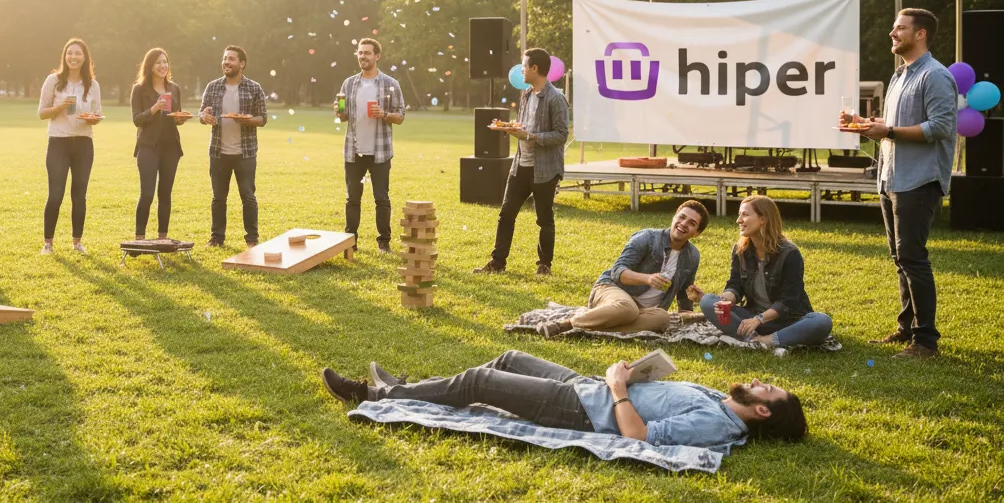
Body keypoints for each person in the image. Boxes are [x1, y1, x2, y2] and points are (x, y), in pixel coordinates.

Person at [320, 350, 807, 447]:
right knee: (508, 358)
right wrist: (632, 374)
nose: (760, 382)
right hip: (589, 386)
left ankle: (380, 393)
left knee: (479, 382)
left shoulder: (718, 425)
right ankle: (416, 390)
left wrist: (619, 388)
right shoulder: (719, 399)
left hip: (580, 410)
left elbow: (639, 435)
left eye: (767, 389)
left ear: (763, 411)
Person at [842, 8, 956, 359]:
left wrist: (887, 130)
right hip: (891, 177)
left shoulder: (935, 76)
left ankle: (925, 342)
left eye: (900, 28)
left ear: (920, 34)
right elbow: (893, 128)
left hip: (919, 180)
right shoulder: (898, 75)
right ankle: (907, 329)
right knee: (900, 257)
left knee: (913, 257)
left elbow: (939, 127)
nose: (893, 33)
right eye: (893, 27)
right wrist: (863, 124)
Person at [542, 201, 710, 335]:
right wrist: (647, 278)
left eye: (692, 223)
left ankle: (598, 326)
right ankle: (568, 323)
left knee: (662, 319)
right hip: (611, 289)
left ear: (697, 233)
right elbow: (618, 271)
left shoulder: (692, 256)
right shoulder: (647, 237)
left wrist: (697, 302)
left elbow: (684, 302)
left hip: (642, 311)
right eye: (681, 217)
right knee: (627, 309)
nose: (683, 224)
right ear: (674, 217)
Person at [474, 48, 569, 276]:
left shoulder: (556, 98)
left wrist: (531, 136)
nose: (522, 70)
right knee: (506, 214)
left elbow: (561, 134)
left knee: (544, 218)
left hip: (544, 169)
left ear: (535, 68)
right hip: (521, 165)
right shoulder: (526, 94)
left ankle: (544, 266)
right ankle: (497, 263)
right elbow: (525, 125)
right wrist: (511, 127)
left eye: (524, 66)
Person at [699, 196, 833, 348]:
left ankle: (766, 340)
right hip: (752, 318)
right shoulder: (740, 251)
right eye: (739, 215)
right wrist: (725, 300)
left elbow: (788, 302)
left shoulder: (789, 253)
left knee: (822, 321)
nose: (738, 220)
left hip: (788, 321)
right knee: (707, 301)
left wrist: (759, 319)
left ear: (763, 219)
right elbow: (735, 285)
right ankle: (757, 339)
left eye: (745, 215)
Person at [333, 38, 405, 252]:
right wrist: (339, 112)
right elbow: (343, 116)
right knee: (352, 199)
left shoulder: (390, 83)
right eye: (360, 53)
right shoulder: (349, 83)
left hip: (380, 152)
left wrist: (383, 114)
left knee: (381, 198)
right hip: (354, 151)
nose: (362, 56)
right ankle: (350, 242)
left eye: (367, 53)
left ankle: (384, 242)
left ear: (377, 56)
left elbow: (400, 116)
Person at [37, 38, 102, 255]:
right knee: (55, 194)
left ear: (85, 58)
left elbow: (97, 112)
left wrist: (93, 118)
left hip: (84, 143)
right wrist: (60, 106)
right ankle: (48, 243)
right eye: (70, 53)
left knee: (79, 195)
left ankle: (77, 242)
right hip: (59, 142)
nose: (74, 57)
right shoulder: (53, 81)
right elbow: (42, 113)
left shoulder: (92, 85)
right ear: (65, 56)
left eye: (78, 54)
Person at [198, 45, 267, 247]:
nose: (226, 62)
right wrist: (204, 116)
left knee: (248, 196)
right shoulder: (213, 87)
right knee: (218, 198)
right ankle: (217, 238)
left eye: (231, 59)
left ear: (242, 64)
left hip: (245, 152)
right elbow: (202, 114)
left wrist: (248, 120)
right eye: (225, 58)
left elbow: (262, 118)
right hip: (219, 151)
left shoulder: (254, 88)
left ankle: (252, 239)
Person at [130, 47, 189, 241]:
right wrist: (154, 108)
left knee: (165, 194)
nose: (163, 66)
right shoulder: (139, 89)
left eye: (165, 62)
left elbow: (176, 115)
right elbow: (137, 119)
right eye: (158, 62)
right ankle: (140, 239)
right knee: (147, 194)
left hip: (171, 147)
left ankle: (162, 238)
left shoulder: (174, 88)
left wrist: (181, 118)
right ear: (150, 66)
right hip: (148, 146)